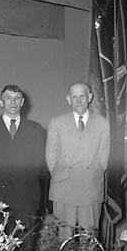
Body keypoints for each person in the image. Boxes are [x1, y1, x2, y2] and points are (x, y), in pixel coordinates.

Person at [0, 84, 46, 251]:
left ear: (22, 102)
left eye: (17, 98)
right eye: (8, 98)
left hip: (26, 197)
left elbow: (37, 163)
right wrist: (1, 185)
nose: (13, 102)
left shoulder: (36, 130)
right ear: (1, 103)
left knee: (25, 249)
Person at [46, 81, 110, 238]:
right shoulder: (57, 122)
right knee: (64, 238)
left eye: (82, 96)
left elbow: (104, 157)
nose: (79, 100)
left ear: (90, 97)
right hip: (64, 186)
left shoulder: (102, 123)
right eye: (74, 97)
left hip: (90, 185)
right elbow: (50, 155)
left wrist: (91, 173)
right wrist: (62, 172)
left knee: (89, 237)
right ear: (69, 99)